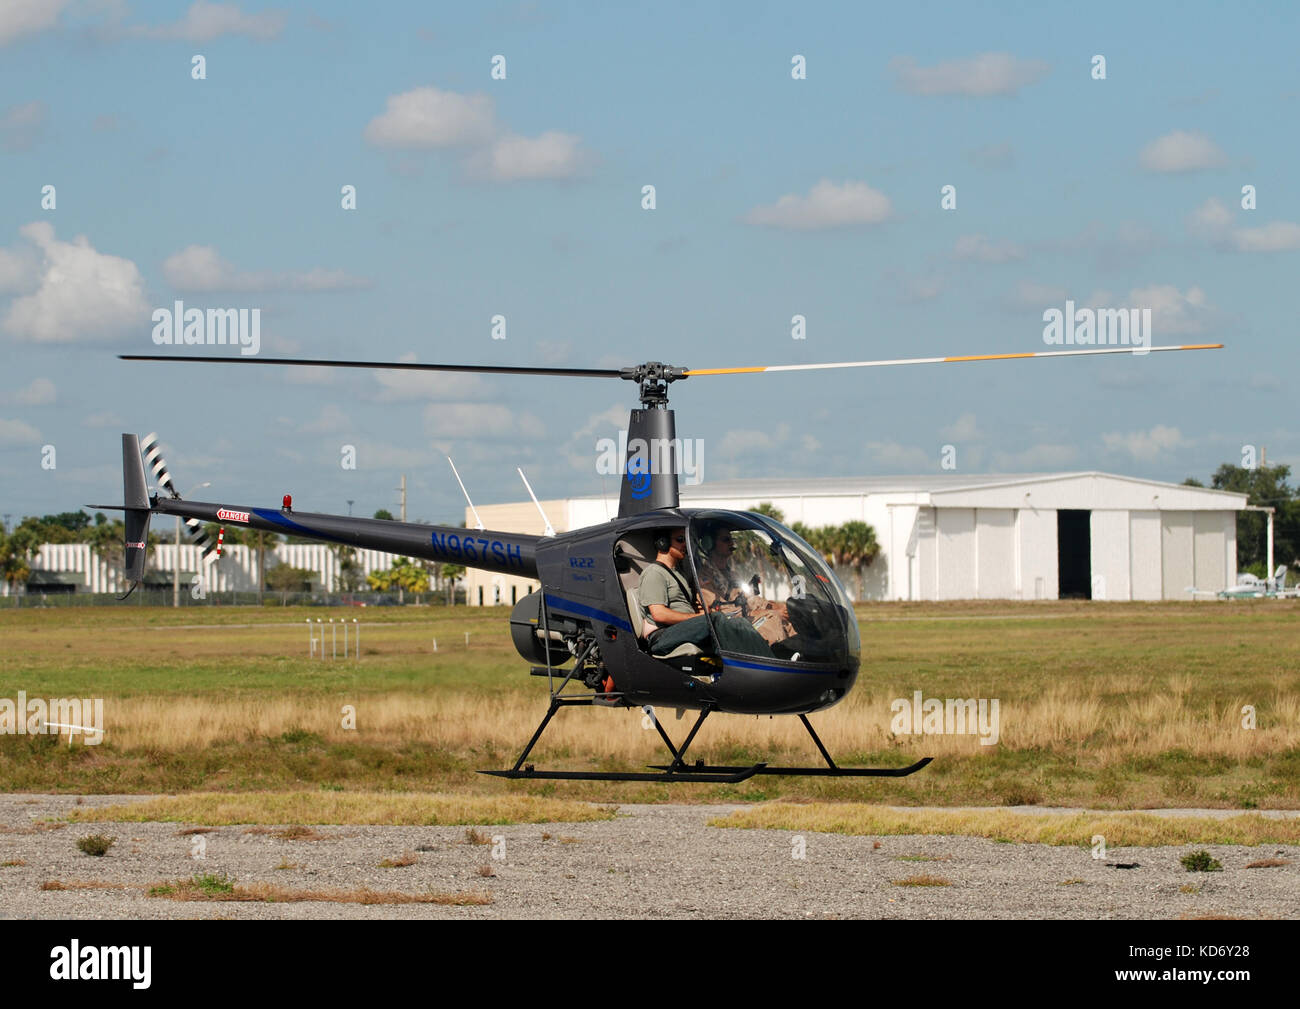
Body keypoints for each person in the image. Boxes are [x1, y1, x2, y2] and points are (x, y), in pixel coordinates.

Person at [697, 521, 797, 649]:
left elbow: (750, 599)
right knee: (774, 617)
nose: (732, 544)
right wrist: (770, 611)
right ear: (709, 543)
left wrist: (777, 606)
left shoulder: (732, 574)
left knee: (789, 614)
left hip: (748, 618)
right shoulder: (704, 577)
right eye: (726, 540)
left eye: (731, 539)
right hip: (734, 627)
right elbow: (724, 613)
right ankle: (781, 662)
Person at [638, 528, 712, 655]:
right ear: (663, 542)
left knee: (731, 621)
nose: (685, 544)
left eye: (686, 540)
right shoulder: (654, 572)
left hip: (680, 629)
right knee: (716, 621)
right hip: (664, 634)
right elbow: (659, 614)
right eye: (680, 539)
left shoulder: (678, 573)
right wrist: (698, 618)